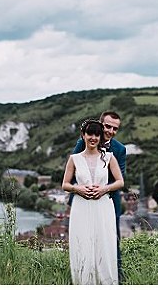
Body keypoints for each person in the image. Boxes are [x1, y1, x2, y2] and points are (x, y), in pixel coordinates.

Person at [62, 119, 124, 285]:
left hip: (103, 205)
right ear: (83, 135)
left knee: (104, 243)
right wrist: (78, 189)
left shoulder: (109, 158)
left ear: (100, 138)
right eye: (90, 134)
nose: (93, 138)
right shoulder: (74, 159)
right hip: (81, 207)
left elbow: (120, 182)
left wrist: (105, 189)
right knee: (83, 244)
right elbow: (65, 184)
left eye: (97, 134)